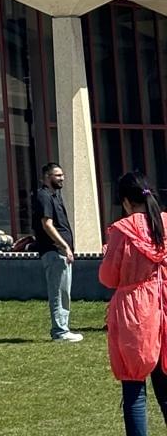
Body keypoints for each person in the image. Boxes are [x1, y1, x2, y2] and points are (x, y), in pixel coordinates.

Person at [100, 171, 167, 436]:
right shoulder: (164, 223)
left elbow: (108, 277)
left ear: (127, 202)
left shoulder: (123, 230)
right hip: (164, 305)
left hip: (136, 312)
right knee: (165, 387)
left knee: (134, 389)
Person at [34, 162, 82, 343]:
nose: (62, 178)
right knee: (59, 292)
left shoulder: (55, 196)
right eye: (58, 175)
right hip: (54, 251)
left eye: (62, 175)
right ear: (47, 177)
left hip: (60, 252)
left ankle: (62, 328)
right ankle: (60, 331)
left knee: (64, 292)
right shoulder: (44, 196)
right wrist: (64, 246)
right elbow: (47, 224)